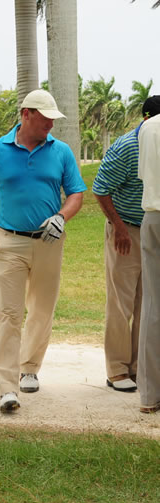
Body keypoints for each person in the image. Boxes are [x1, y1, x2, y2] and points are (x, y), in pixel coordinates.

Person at [0, 89, 86, 413]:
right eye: (46, 119)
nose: (51, 125)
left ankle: (30, 368)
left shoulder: (60, 152)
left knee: (42, 309)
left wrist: (62, 217)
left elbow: (76, 193)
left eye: (53, 120)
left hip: (50, 241)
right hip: (10, 242)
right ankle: (7, 388)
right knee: (9, 313)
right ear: (26, 115)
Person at [92, 96, 160, 393]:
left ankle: (136, 367)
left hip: (149, 229)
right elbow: (100, 189)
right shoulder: (127, 147)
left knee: (147, 301)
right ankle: (117, 370)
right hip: (125, 230)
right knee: (121, 303)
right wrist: (118, 227)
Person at [137, 111, 160, 414]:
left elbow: (144, 174)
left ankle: (150, 395)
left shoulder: (149, 126)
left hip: (152, 217)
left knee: (152, 306)